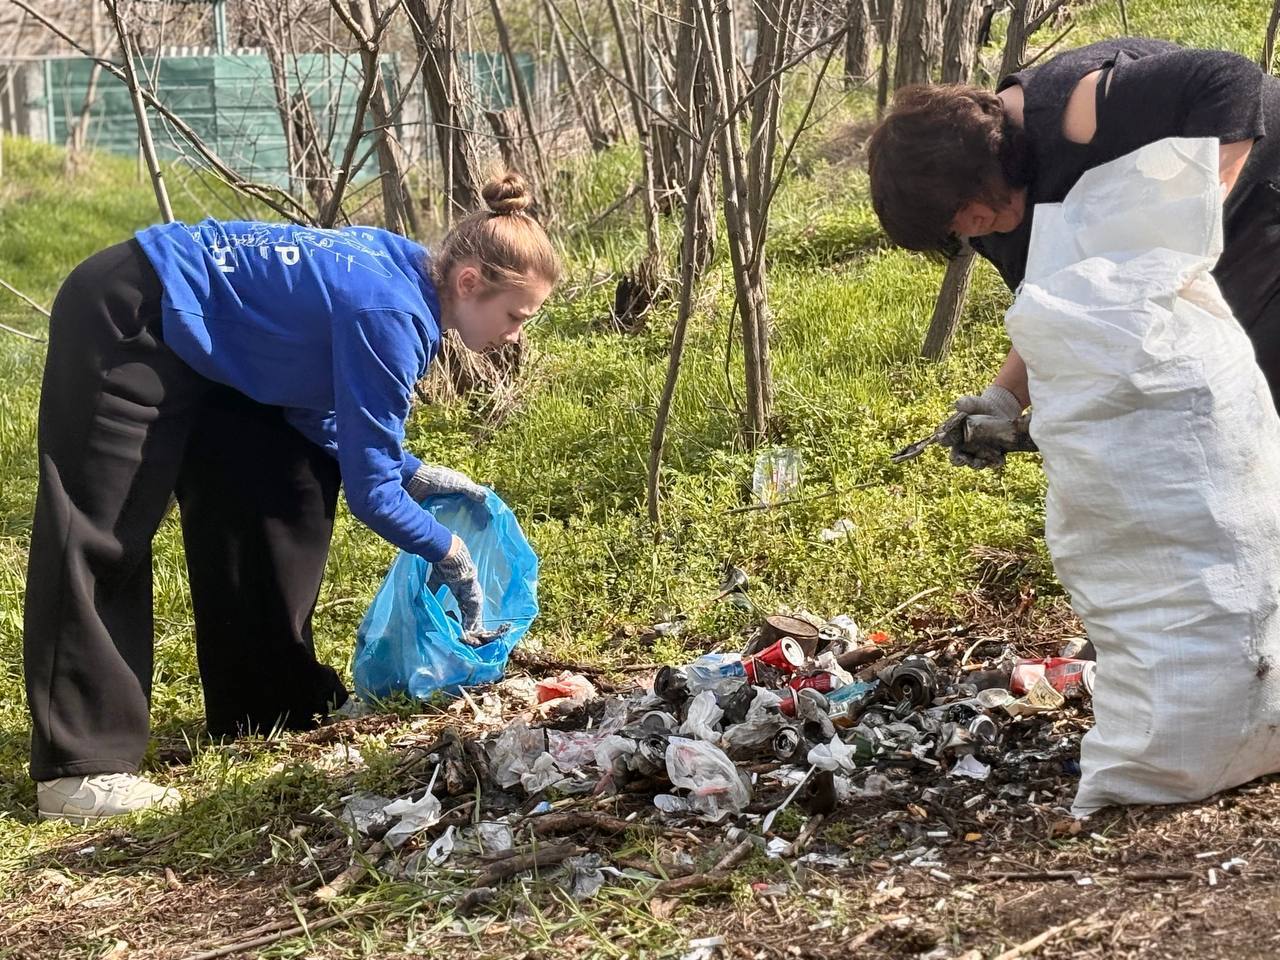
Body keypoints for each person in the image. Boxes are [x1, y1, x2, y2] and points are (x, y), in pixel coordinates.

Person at [24, 172, 559, 823]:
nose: (515, 335)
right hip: (133, 309)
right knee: (102, 526)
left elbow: (314, 407)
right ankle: (80, 770)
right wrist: (450, 552)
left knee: (280, 473)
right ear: (470, 282)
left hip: (213, 348)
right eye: (515, 317)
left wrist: (416, 472)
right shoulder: (392, 314)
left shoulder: (408, 275)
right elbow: (373, 495)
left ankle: (271, 704)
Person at [866, 37, 1280, 466]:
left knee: (1251, 405)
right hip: (1211, 267)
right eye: (956, 228)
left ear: (975, 164)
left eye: (965, 208)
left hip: (1263, 189)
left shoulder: (1070, 110)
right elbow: (1059, 306)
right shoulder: (988, 223)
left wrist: (1191, 213)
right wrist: (1004, 400)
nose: (974, 227)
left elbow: (1230, 80)